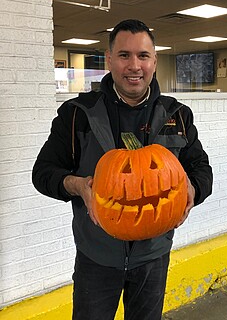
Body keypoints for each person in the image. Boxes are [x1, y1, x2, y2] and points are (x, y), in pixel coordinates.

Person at [32, 19, 213, 320]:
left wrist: (194, 188)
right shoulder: (77, 115)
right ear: (109, 59)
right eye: (124, 55)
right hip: (96, 257)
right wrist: (77, 186)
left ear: (154, 61)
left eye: (143, 56)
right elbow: (42, 172)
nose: (134, 65)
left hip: (153, 256)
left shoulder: (177, 114)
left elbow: (201, 168)